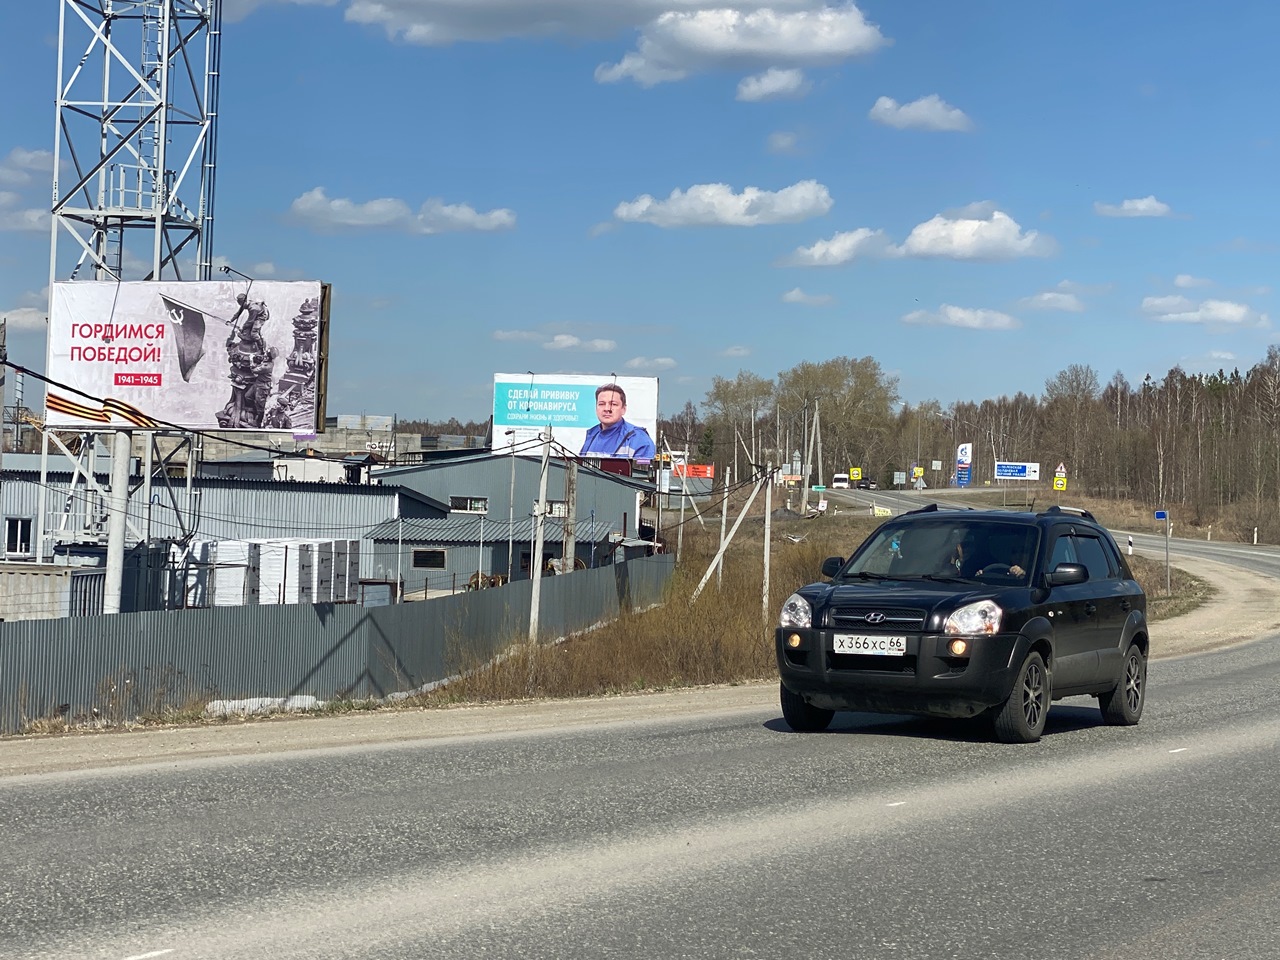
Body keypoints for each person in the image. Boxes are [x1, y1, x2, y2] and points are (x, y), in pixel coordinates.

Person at [579, 384, 656, 459]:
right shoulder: (591, 436)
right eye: (601, 404)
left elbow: (642, 470)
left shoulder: (638, 439)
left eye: (613, 404)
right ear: (596, 408)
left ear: (623, 409)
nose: (607, 409)